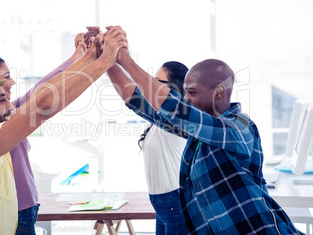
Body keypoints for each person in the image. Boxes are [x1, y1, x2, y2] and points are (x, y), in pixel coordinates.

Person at [0, 26, 127, 234]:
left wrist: (88, 56)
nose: (10, 105)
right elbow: (42, 104)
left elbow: (40, 94)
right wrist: (104, 60)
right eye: (2, 99)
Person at [112, 50, 299, 234]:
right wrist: (109, 61)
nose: (187, 99)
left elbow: (178, 110)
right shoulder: (199, 133)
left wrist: (126, 60)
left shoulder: (240, 126)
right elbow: (139, 103)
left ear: (219, 92)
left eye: (192, 92)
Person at [0, 33, 86, 234]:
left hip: (27, 208)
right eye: (6, 77)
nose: (12, 81)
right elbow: (42, 100)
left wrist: (77, 57)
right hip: (14, 213)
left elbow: (42, 88)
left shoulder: (10, 111)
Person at [107, 60, 188, 235]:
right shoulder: (157, 122)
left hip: (176, 202)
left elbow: (132, 97)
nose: (150, 85)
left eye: (157, 82)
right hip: (161, 203)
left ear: (175, 89)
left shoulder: (178, 119)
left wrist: (108, 60)